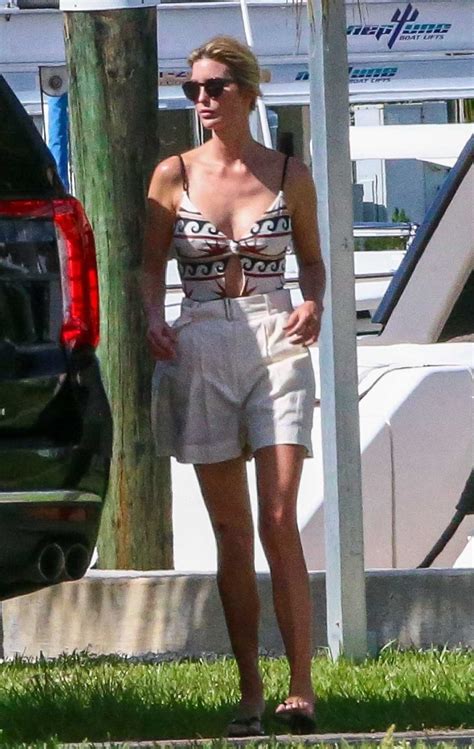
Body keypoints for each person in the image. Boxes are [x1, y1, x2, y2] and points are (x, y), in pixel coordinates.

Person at [141, 36, 325, 737]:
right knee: (231, 531)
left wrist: (314, 302)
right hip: (201, 336)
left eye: (215, 87)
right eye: (193, 89)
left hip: (274, 335)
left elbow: (312, 260)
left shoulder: (289, 173)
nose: (203, 100)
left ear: (247, 91)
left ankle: (301, 686)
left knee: (278, 516)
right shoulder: (172, 174)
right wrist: (154, 317)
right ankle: (250, 686)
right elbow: (148, 264)